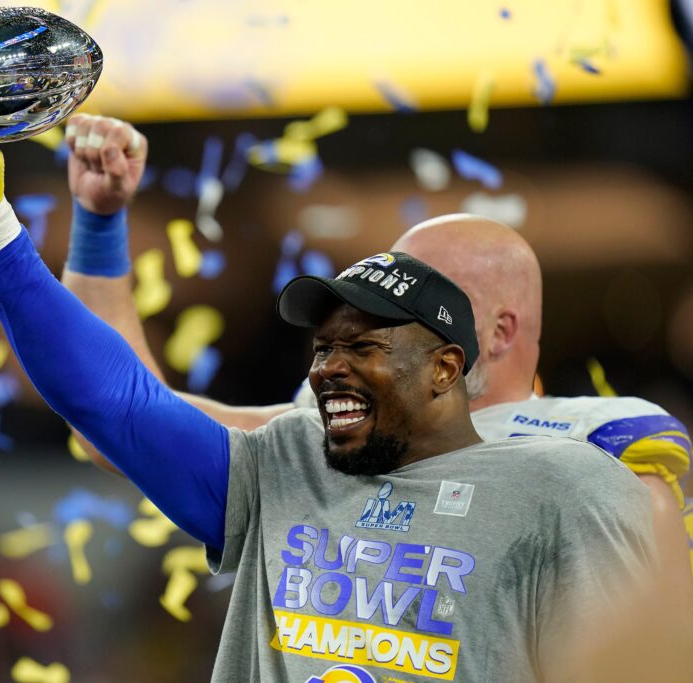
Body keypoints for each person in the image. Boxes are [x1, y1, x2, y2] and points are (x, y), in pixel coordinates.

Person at [0, 116, 663, 681]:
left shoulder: (592, 458)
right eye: (325, 346)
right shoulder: (296, 452)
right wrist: (4, 228)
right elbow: (116, 407)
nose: (329, 369)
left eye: (366, 343)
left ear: (455, 355)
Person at [56, 115, 693, 584]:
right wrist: (100, 226)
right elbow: (117, 420)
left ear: (497, 333)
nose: (388, 322)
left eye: (425, 301)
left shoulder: (602, 450)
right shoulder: (322, 439)